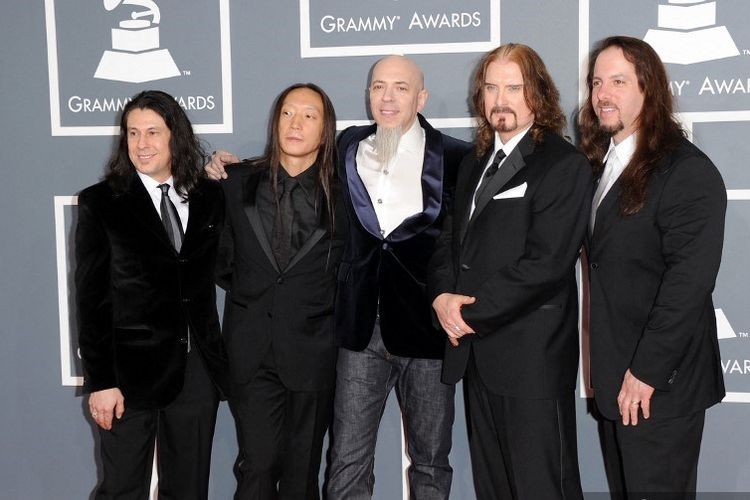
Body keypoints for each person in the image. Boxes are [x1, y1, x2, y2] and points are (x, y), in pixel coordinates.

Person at [206, 55, 470, 500]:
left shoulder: (460, 158)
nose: (387, 97)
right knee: (345, 461)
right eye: (378, 86)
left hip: (425, 331)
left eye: (400, 88)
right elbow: (231, 251)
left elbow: (466, 241)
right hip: (357, 335)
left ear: (421, 96)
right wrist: (224, 166)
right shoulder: (349, 148)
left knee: (429, 460)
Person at [429, 43, 591, 499]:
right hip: (477, 357)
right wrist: (441, 298)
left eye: (514, 87)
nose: (501, 99)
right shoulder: (474, 164)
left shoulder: (563, 164)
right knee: (493, 488)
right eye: (491, 87)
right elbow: (449, 241)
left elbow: (547, 263)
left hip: (531, 360)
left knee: (542, 487)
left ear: (538, 93)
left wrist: (467, 314)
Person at [579, 36, 726, 499]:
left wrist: (645, 373)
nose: (603, 93)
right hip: (614, 378)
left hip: (658, 387)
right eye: (597, 82)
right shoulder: (602, 164)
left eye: (618, 81)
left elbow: (689, 283)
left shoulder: (686, 170)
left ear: (650, 88)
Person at [76, 89, 229, 500]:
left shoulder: (210, 197)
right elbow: (90, 301)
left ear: (174, 136)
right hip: (128, 374)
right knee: (122, 487)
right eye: (132, 133)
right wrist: (101, 381)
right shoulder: (101, 202)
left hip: (196, 369)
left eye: (152, 132)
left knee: (189, 489)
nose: (141, 144)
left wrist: (236, 169)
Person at [215, 83, 345, 500]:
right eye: (288, 113)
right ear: (275, 122)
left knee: (302, 473)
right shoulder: (234, 184)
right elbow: (222, 263)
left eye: (310, 115)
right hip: (251, 353)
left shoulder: (346, 195)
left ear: (325, 132)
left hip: (314, 353)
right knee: (256, 464)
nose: (296, 123)